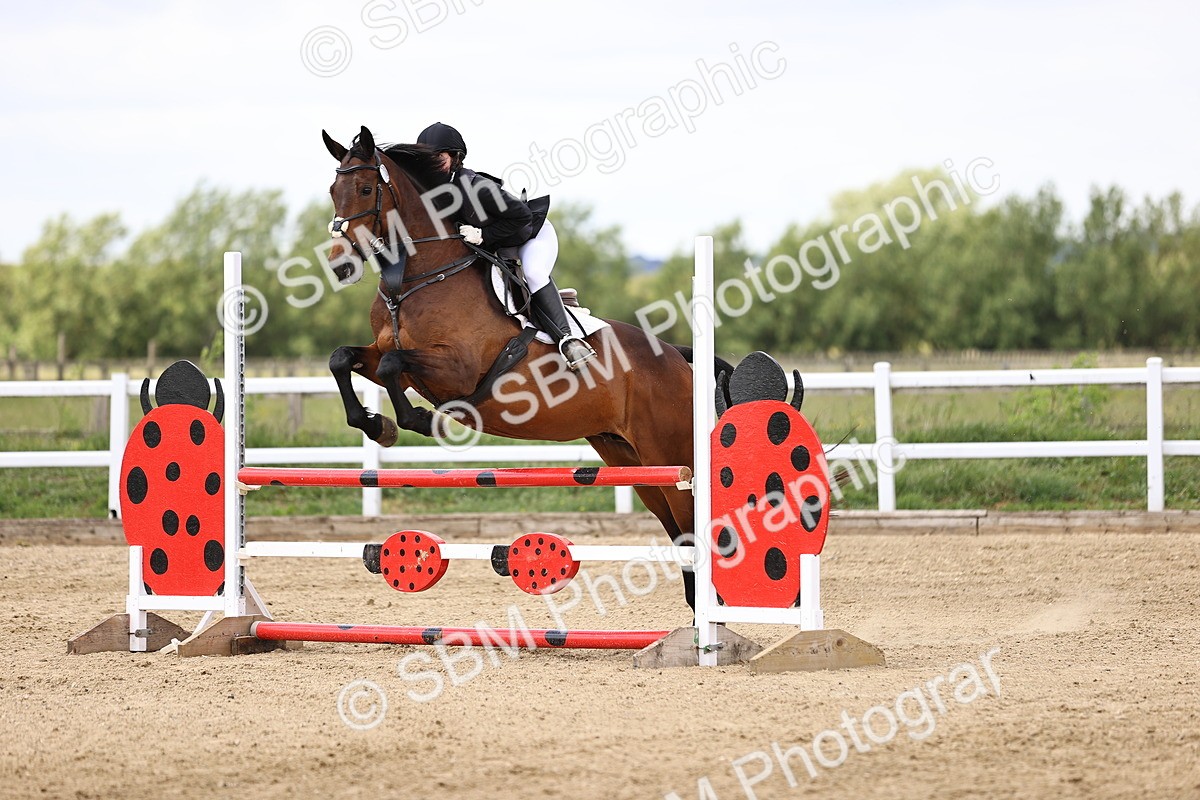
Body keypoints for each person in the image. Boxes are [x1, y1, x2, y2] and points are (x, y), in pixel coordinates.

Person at [416, 122, 596, 371]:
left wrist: (484, 235)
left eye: (439, 158)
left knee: (533, 273)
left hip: (530, 236)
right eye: (427, 159)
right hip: (497, 245)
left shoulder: (477, 186)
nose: (432, 166)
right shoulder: (435, 190)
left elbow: (521, 216)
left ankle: (569, 340)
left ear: (456, 158)